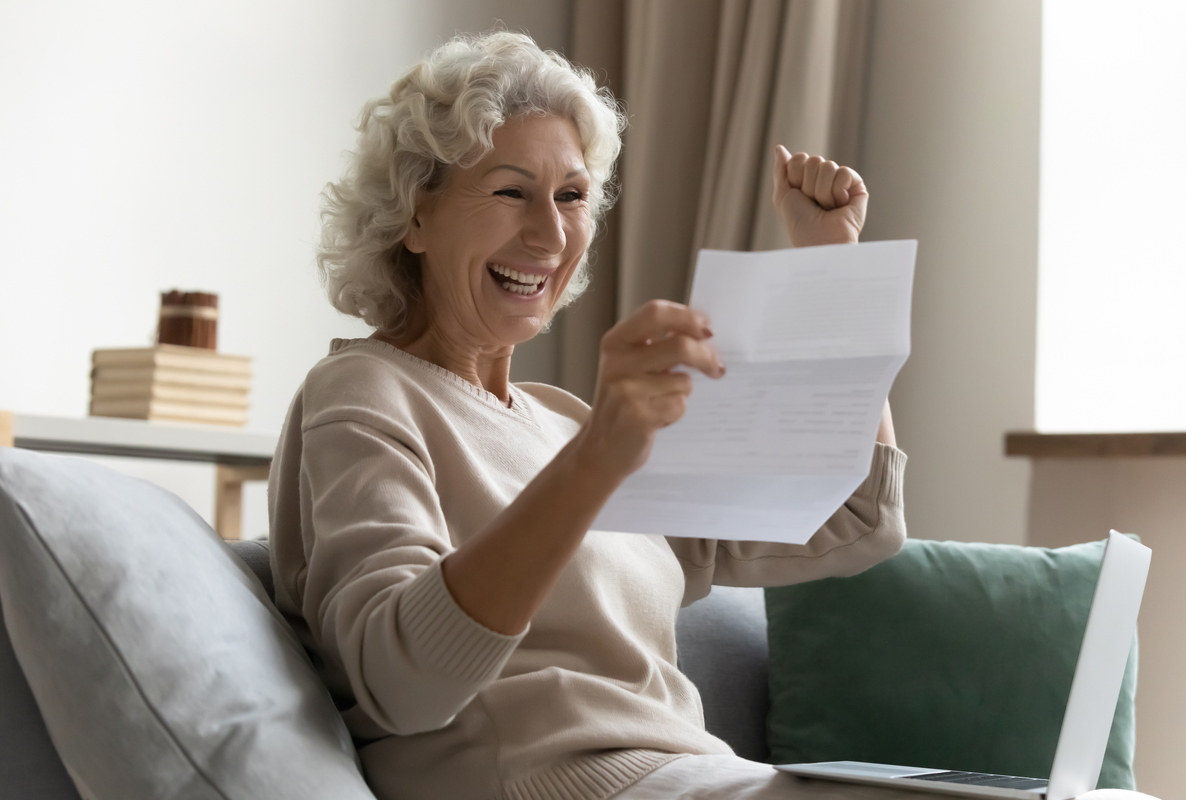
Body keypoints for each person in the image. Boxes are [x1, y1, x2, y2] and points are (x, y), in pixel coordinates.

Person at [269, 31, 911, 800]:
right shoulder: (363, 391)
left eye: (571, 196)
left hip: (701, 775)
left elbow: (851, 515)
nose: (550, 234)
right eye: (511, 192)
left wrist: (829, 274)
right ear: (414, 216)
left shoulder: (564, 421)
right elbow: (401, 680)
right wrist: (599, 458)